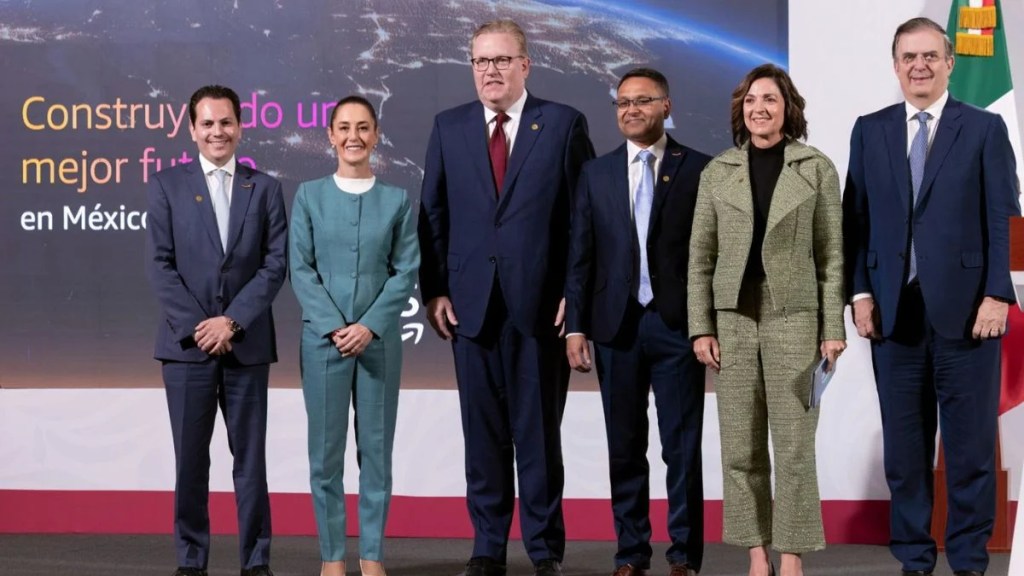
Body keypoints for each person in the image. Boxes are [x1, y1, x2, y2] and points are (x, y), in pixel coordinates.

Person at [417, 18, 595, 576]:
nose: (490, 71)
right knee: (483, 436)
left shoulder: (562, 124)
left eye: (501, 60)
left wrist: (574, 295)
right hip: (470, 309)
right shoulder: (448, 127)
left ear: (525, 64)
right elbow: (433, 214)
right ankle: (487, 548)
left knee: (538, 436)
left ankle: (544, 551)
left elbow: (583, 221)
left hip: (540, 307)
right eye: (480, 61)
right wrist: (434, 290)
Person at [843, 17, 1019, 576]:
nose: (919, 66)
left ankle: (968, 563)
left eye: (929, 56)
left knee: (970, 453)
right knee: (905, 453)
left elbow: (1004, 217)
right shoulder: (869, 130)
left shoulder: (985, 128)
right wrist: (860, 292)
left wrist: (997, 294)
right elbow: (855, 221)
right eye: (908, 57)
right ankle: (915, 561)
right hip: (892, 316)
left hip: (970, 316)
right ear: (895, 66)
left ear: (949, 63)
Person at [688, 64, 846, 576]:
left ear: (787, 107)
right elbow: (700, 257)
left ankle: (792, 557)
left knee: (795, 445)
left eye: (770, 99)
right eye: (751, 100)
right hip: (733, 320)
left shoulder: (816, 168)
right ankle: (757, 556)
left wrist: (832, 328)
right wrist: (701, 326)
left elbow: (832, 256)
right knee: (740, 446)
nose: (760, 108)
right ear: (742, 109)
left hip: (794, 318)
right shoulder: (718, 171)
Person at [564, 67, 709, 576]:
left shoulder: (700, 169)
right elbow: (580, 256)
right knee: (624, 447)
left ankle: (684, 554)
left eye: (643, 100)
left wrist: (707, 324)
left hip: (677, 326)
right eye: (623, 102)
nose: (631, 110)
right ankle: (631, 552)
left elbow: (710, 253)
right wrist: (576, 325)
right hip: (615, 327)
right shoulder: (596, 174)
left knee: (681, 447)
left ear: (666, 106)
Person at [146, 84, 288, 576]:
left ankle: (256, 561)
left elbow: (274, 265)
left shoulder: (265, 188)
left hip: (246, 345)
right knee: (190, 463)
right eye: (207, 123)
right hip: (187, 350)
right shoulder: (166, 186)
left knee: (250, 462)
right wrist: (200, 328)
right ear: (192, 129)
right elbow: (161, 266)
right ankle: (191, 561)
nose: (217, 131)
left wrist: (232, 321)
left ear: (240, 127)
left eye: (226, 122)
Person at [290, 95, 420, 576]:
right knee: (325, 458)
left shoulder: (397, 201)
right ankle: (332, 557)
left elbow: (405, 271)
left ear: (376, 134)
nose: (353, 137)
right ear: (330, 135)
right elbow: (301, 269)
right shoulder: (308, 196)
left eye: (363, 127)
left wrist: (368, 326)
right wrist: (335, 326)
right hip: (322, 343)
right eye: (344, 127)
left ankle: (371, 556)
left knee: (376, 455)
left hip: (378, 343)